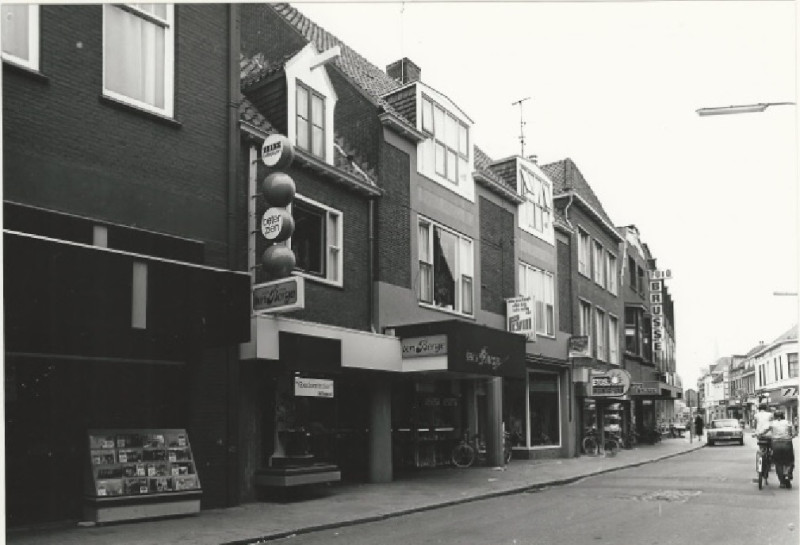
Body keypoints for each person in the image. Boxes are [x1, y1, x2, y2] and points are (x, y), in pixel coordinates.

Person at [764, 410, 795, 488]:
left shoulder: (772, 423)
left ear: (775, 416)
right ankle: (788, 474)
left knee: (778, 463)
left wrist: (759, 434)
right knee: (789, 461)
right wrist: (791, 436)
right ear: (783, 416)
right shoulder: (788, 423)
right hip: (787, 443)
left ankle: (782, 482)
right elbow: (794, 433)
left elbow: (765, 431)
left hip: (776, 444)